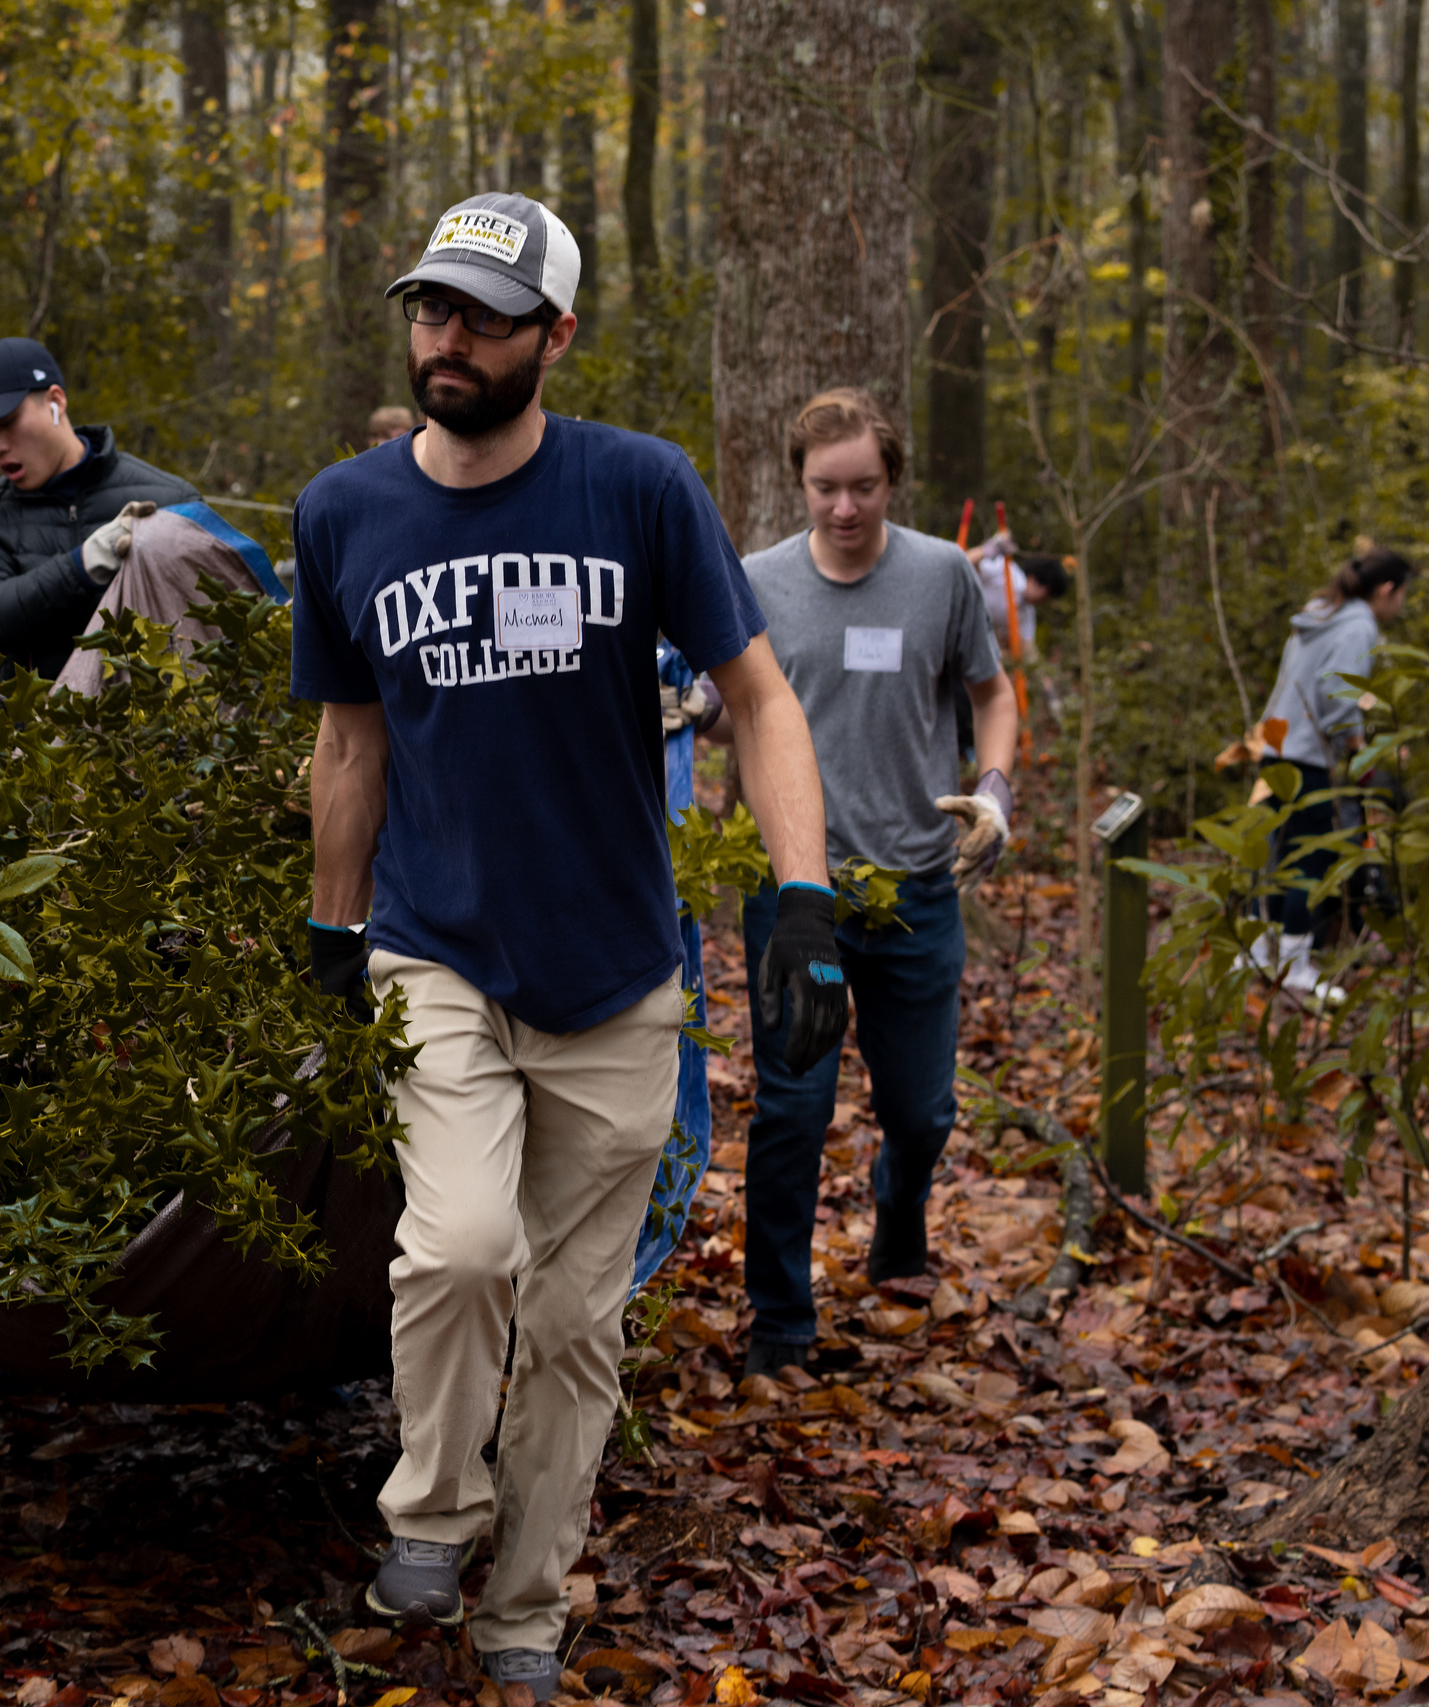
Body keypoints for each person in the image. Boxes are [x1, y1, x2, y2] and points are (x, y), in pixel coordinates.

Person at [291, 192, 847, 1704]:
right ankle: (428, 1512)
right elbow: (350, 746)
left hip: (613, 974)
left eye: (480, 313)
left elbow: (761, 698)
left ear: (557, 334)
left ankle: (522, 1608)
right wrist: (331, 936)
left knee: (579, 1326)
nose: (446, 338)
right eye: (429, 308)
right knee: (462, 1244)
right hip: (438, 948)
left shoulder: (639, 490)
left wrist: (803, 896)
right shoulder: (346, 511)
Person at [706, 387, 1018, 1378]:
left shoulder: (939, 577)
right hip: (799, 894)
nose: (844, 509)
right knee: (793, 1108)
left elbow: (991, 691)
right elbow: (731, 714)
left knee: (921, 1111)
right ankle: (781, 1320)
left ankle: (899, 1203)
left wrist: (995, 791)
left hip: (917, 886)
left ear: (893, 479)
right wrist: (683, 710)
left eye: (865, 488)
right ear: (797, 481)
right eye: (824, 488)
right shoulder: (752, 582)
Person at [0, 337, 198, 677]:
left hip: (147, 725)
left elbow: (209, 623)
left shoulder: (167, 498)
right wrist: (83, 566)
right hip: (35, 728)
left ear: (55, 402)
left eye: (6, 423)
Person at [1254, 548, 1415, 999]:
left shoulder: (1319, 616)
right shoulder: (1358, 625)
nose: (1400, 605)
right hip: (1305, 755)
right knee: (1310, 857)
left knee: (1276, 852)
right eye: (1402, 594)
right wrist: (1358, 752)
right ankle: (1294, 964)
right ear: (1387, 589)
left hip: (1276, 745)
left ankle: (1260, 951)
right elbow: (1339, 696)